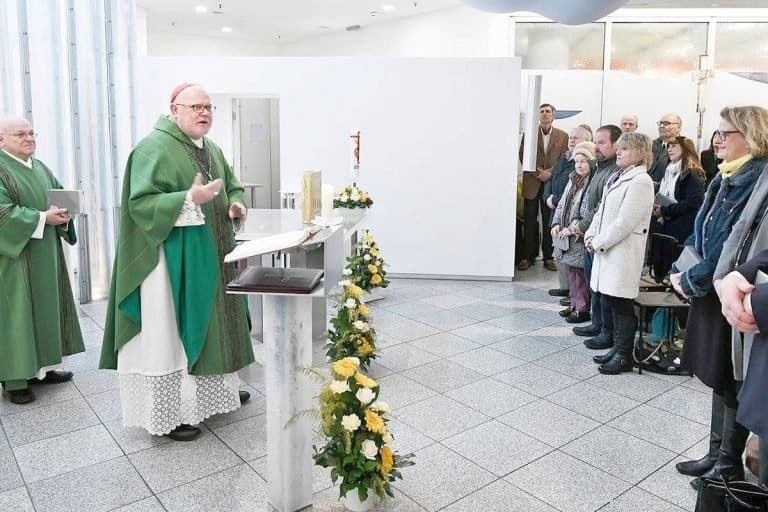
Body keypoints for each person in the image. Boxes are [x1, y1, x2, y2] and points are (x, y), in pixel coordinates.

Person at [101, 83, 255, 441]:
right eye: (195, 107)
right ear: (174, 109)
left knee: (218, 320)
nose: (204, 113)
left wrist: (234, 203)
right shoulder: (152, 147)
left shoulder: (211, 147)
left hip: (212, 254)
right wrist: (188, 198)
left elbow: (231, 184)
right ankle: (172, 413)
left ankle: (217, 394)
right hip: (168, 263)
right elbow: (139, 204)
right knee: (170, 332)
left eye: (209, 107)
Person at [670, 106, 768, 488]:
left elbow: (736, 242)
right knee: (717, 374)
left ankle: (727, 463)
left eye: (727, 133)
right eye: (718, 132)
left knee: (732, 380)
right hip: (713, 288)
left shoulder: (756, 179)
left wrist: (694, 276)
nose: (718, 139)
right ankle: (715, 454)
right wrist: (686, 272)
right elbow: (704, 229)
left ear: (752, 136)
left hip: (734, 288)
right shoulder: (726, 176)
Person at [0, 117, 84, 404]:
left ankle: (43, 369)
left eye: (32, 132)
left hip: (45, 252)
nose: (29, 138)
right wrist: (41, 218)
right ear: (2, 141)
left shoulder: (38, 166)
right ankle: (14, 379)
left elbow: (58, 196)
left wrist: (65, 212)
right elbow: (2, 214)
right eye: (20, 134)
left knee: (47, 308)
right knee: (17, 315)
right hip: (14, 259)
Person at [585, 132, 655, 375]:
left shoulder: (641, 181)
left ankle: (625, 355)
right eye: (620, 148)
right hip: (607, 249)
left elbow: (625, 222)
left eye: (624, 149)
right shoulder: (617, 176)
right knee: (610, 300)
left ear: (638, 153)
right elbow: (601, 212)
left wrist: (599, 242)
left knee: (622, 303)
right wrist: (590, 236)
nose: (619, 152)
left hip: (622, 252)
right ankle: (616, 348)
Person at [572, 125, 622, 353]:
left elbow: (601, 207)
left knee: (603, 289)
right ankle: (597, 324)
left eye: (602, 143)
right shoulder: (600, 167)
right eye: (596, 142)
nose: (596, 147)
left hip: (600, 238)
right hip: (592, 236)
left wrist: (583, 226)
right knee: (594, 285)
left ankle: (606, 331)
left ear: (616, 145)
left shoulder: (613, 171)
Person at [518, 103, 569, 272]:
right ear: (538, 116)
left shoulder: (563, 136)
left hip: (552, 184)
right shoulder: (529, 134)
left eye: (548, 111)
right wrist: (538, 173)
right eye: (542, 112)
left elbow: (564, 158)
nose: (545, 114)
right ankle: (528, 256)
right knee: (530, 220)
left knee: (549, 221)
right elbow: (523, 155)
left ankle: (548, 257)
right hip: (532, 181)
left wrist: (550, 174)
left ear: (554, 115)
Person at [543, 125, 591, 298]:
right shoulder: (563, 158)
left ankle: (574, 295)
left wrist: (554, 200)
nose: (571, 141)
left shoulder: (586, 167)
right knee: (559, 253)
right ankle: (565, 288)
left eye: (575, 138)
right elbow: (551, 178)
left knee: (573, 260)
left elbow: (568, 193)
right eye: (570, 137)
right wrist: (547, 196)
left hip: (574, 222)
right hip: (558, 214)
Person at [551, 142, 596, 324]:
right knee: (572, 270)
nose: (579, 165)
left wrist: (573, 228)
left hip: (578, 233)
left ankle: (582, 308)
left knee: (579, 272)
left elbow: (587, 210)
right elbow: (562, 203)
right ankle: (575, 303)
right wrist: (556, 222)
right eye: (577, 161)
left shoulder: (591, 182)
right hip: (565, 231)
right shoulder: (572, 179)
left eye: (584, 161)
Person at [649, 136, 705, 280]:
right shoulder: (668, 170)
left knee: (673, 267)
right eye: (668, 146)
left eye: (674, 146)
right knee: (660, 267)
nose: (670, 149)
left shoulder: (692, 172)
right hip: (664, 224)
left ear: (685, 149)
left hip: (681, 226)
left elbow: (694, 202)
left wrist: (665, 210)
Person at [649, 113, 683, 183]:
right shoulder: (651, 145)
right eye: (660, 123)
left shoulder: (683, 147)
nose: (662, 126)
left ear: (678, 127)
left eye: (666, 123)